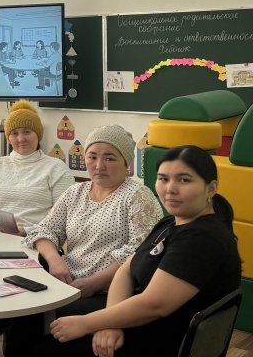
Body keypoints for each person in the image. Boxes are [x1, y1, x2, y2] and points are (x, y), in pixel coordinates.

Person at [38, 145, 241, 357]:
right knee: (39, 318)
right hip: (133, 319)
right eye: (163, 179)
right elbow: (125, 270)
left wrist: (88, 323)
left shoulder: (203, 238)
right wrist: (109, 322)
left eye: (184, 180)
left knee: (39, 344)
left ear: (211, 189)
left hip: (158, 339)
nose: (170, 189)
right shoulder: (171, 222)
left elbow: (155, 305)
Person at [0, 125, 162, 350]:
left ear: (127, 164)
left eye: (110, 158)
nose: (99, 165)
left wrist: (94, 284)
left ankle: (5, 323)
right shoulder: (76, 192)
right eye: (92, 157)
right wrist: (56, 261)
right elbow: (44, 230)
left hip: (110, 292)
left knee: (32, 314)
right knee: (22, 305)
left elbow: (139, 254)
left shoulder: (138, 196)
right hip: (66, 281)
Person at [0, 100, 73, 236]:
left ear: (38, 134)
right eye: (14, 133)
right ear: (8, 138)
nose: (21, 139)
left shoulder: (57, 168)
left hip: (39, 240)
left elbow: (63, 214)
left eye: (27, 132)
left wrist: (27, 231)